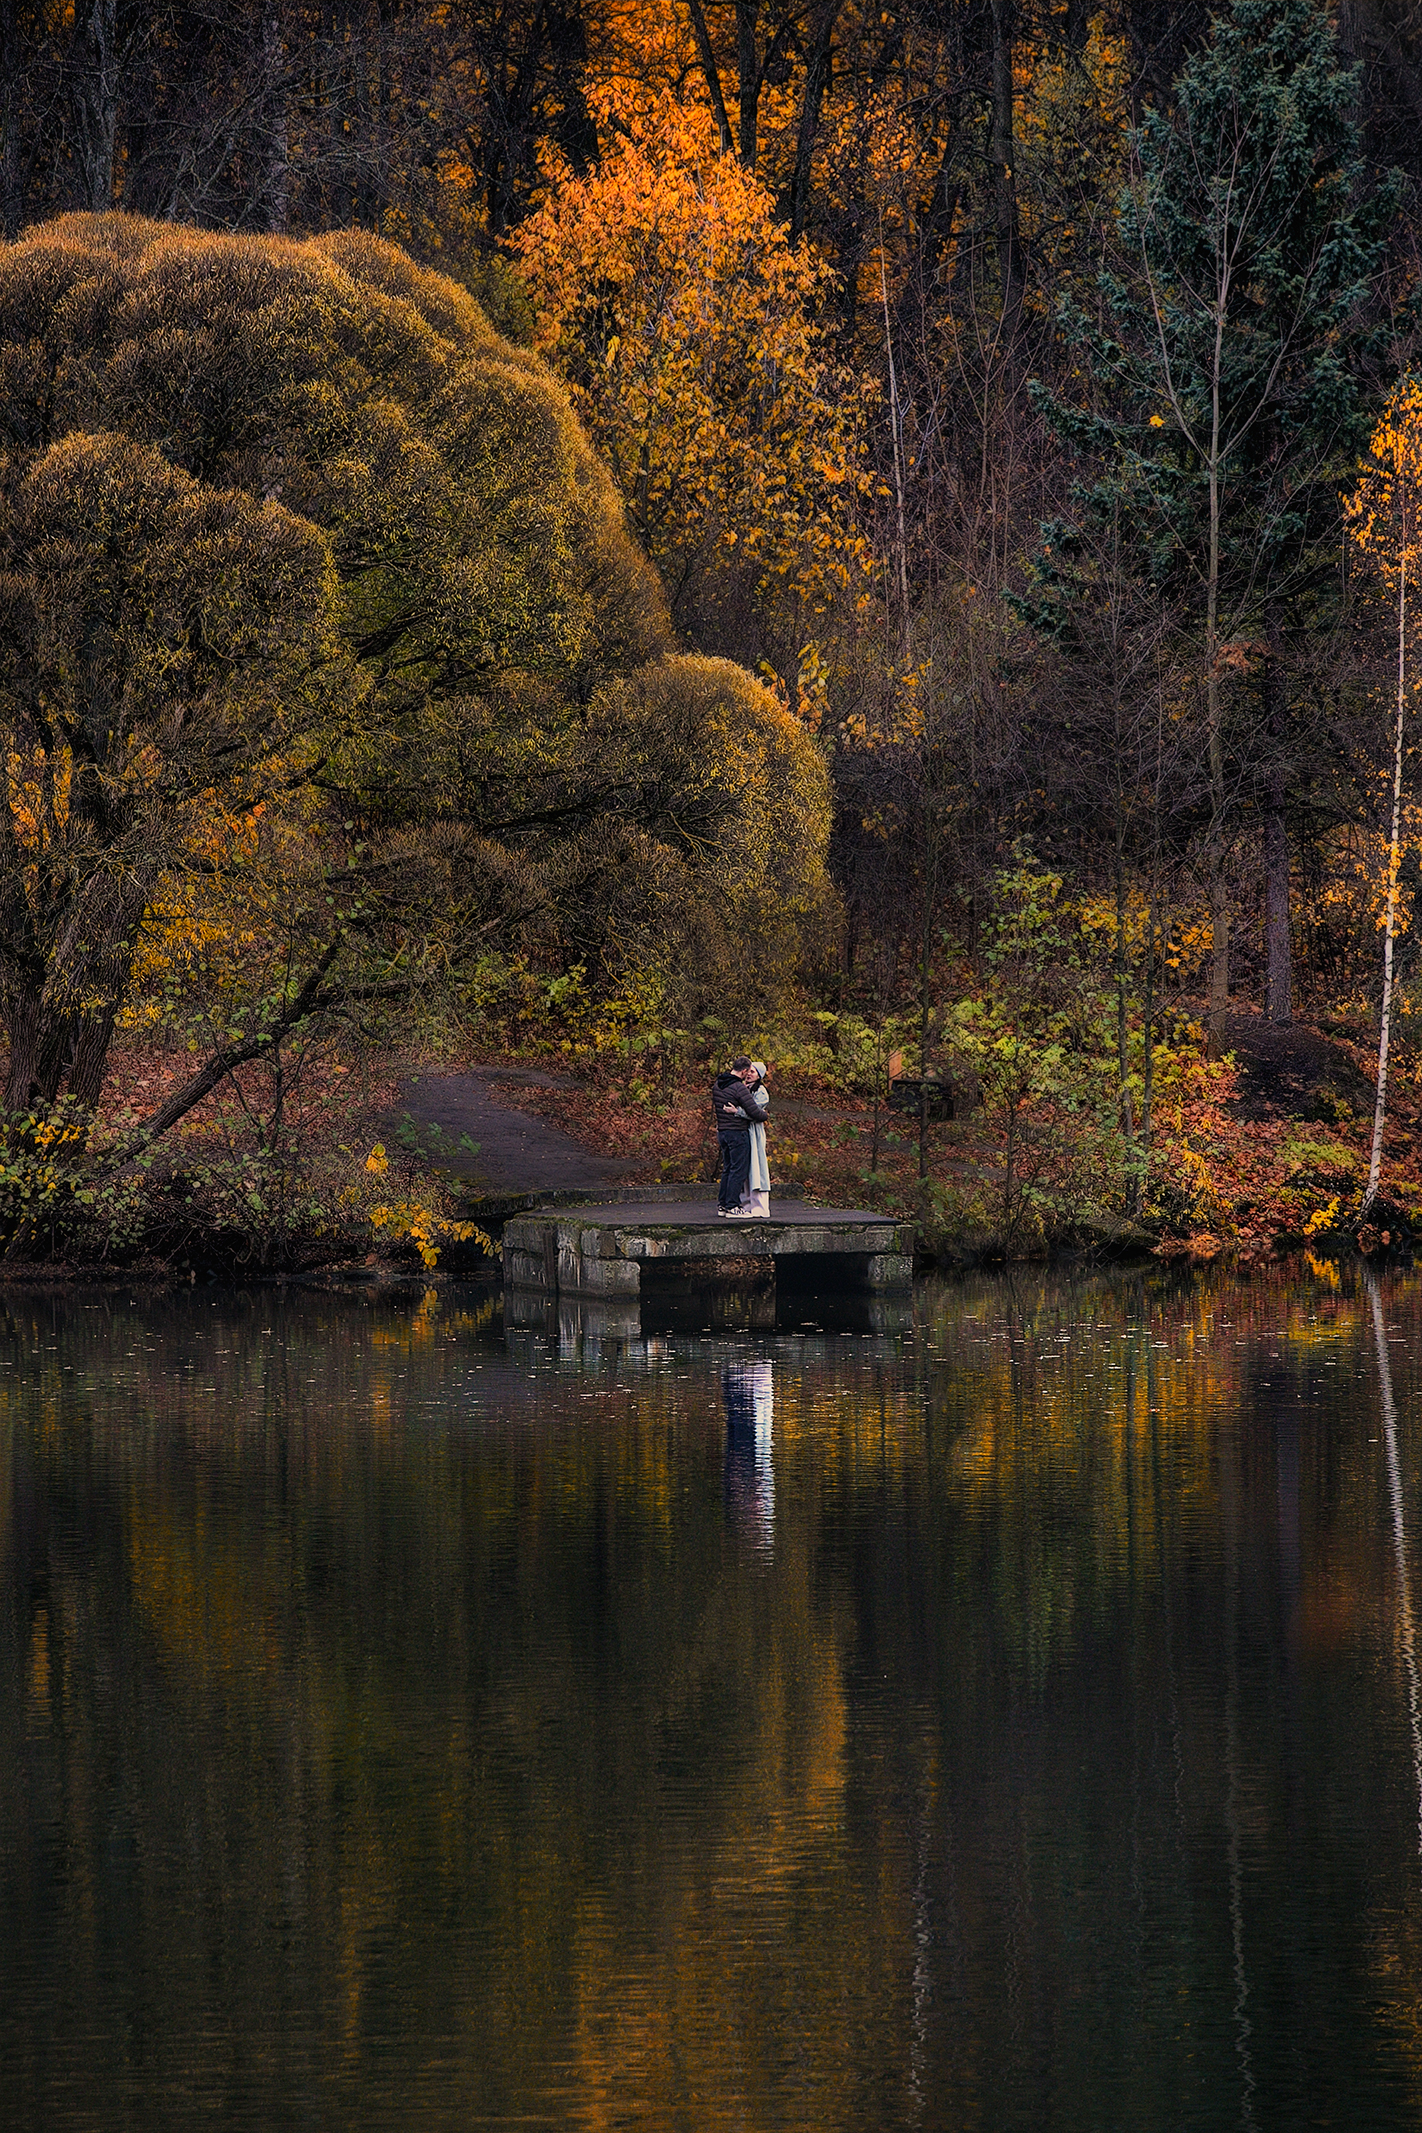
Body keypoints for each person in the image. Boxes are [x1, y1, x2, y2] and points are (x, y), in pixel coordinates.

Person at [710, 1056, 764, 1216]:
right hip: (737, 1133)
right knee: (738, 1170)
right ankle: (733, 1206)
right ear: (744, 1071)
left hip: (723, 1132)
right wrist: (765, 1115)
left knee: (727, 1169)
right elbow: (755, 1112)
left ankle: (723, 1205)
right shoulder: (738, 1088)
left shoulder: (718, 1084)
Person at [740, 1059, 771, 1218]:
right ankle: (747, 1203)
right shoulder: (743, 1088)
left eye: (752, 1072)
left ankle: (760, 1206)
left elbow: (754, 1111)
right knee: (745, 1169)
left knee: (756, 1167)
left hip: (755, 1132)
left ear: (759, 1075)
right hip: (744, 1131)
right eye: (748, 1071)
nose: (749, 1075)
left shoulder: (761, 1091)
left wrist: (736, 1111)